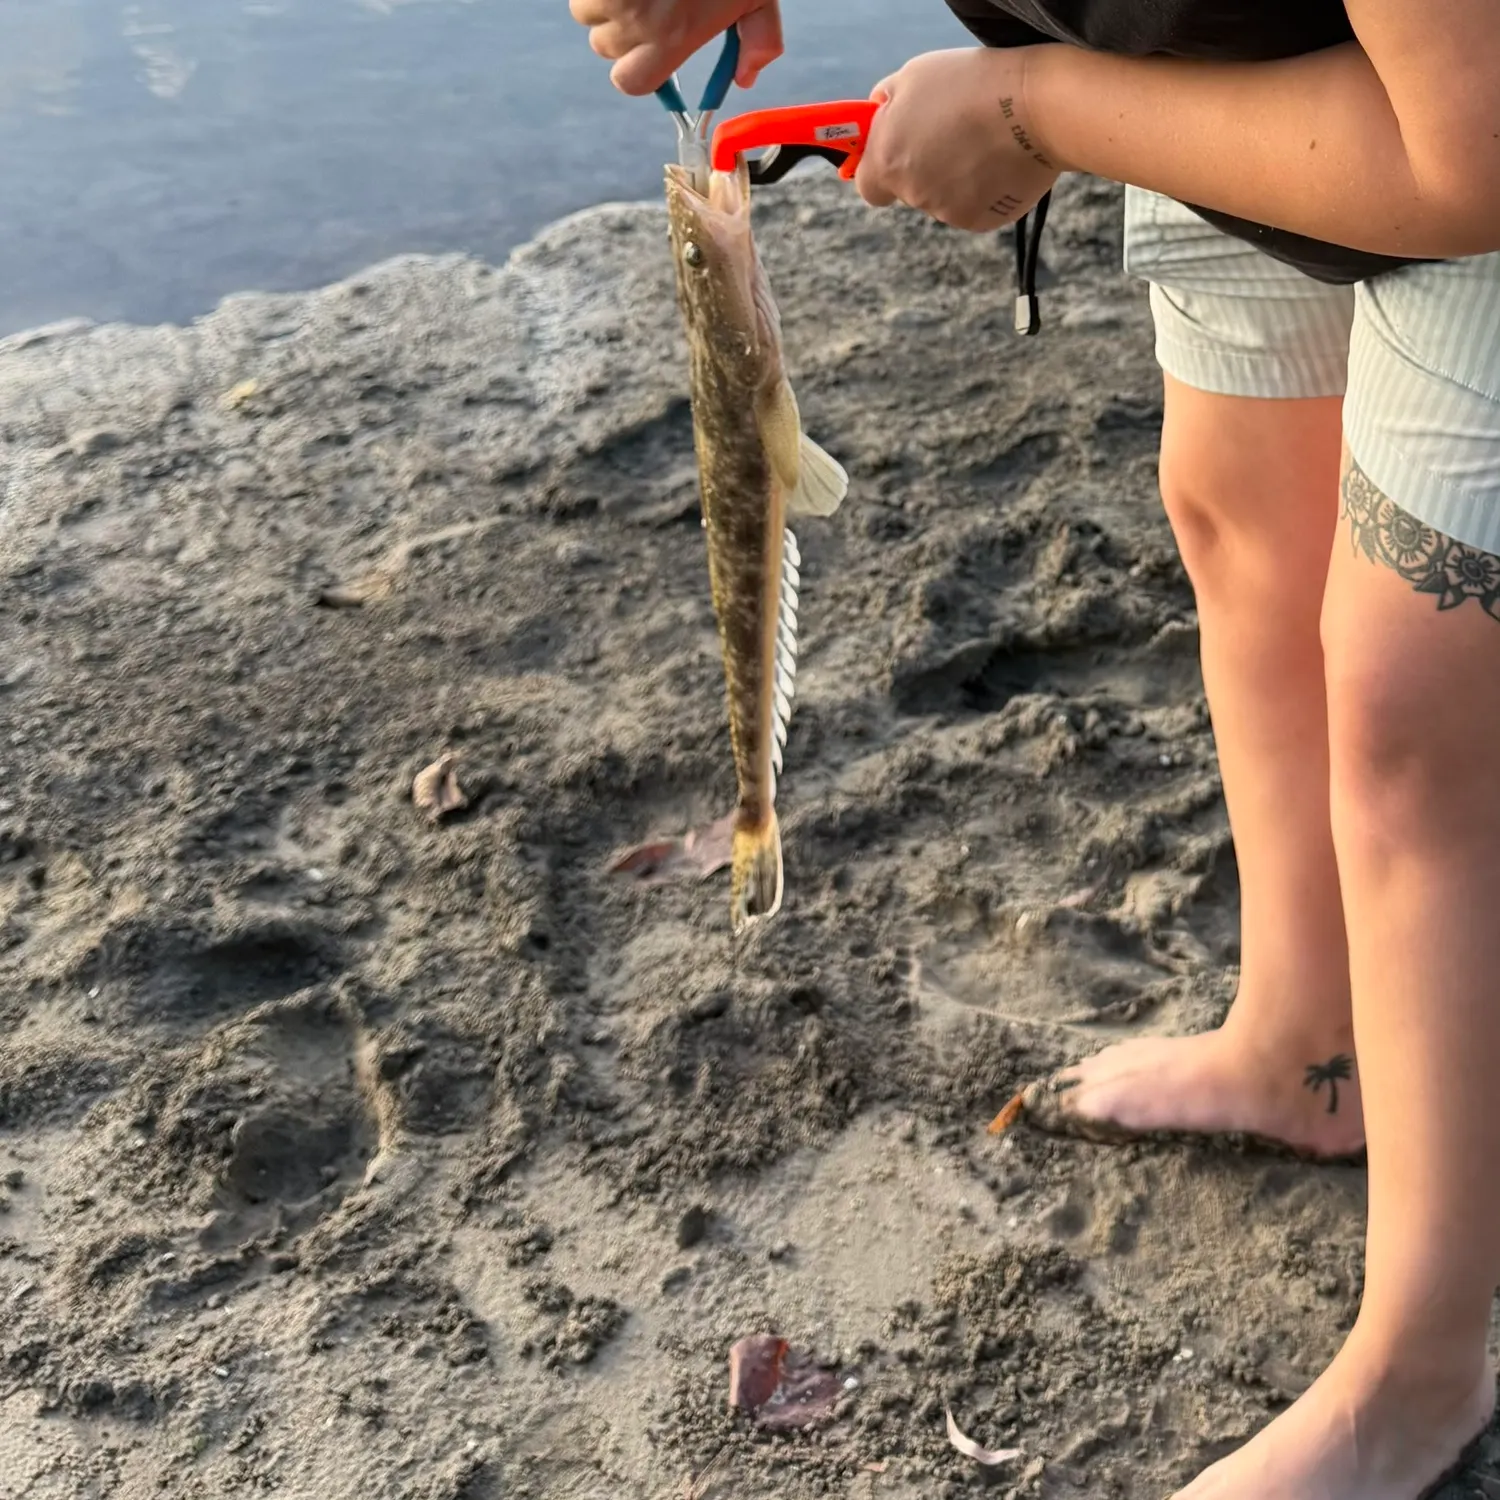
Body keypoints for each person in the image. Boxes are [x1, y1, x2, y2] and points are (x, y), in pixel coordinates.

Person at [570, 3, 1500, 1495]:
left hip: (1465, 111)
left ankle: (1422, 1371)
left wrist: (1033, 109)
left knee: (1416, 695)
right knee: (1238, 505)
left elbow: (1469, 148)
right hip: (1237, 45)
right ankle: (1304, 1041)